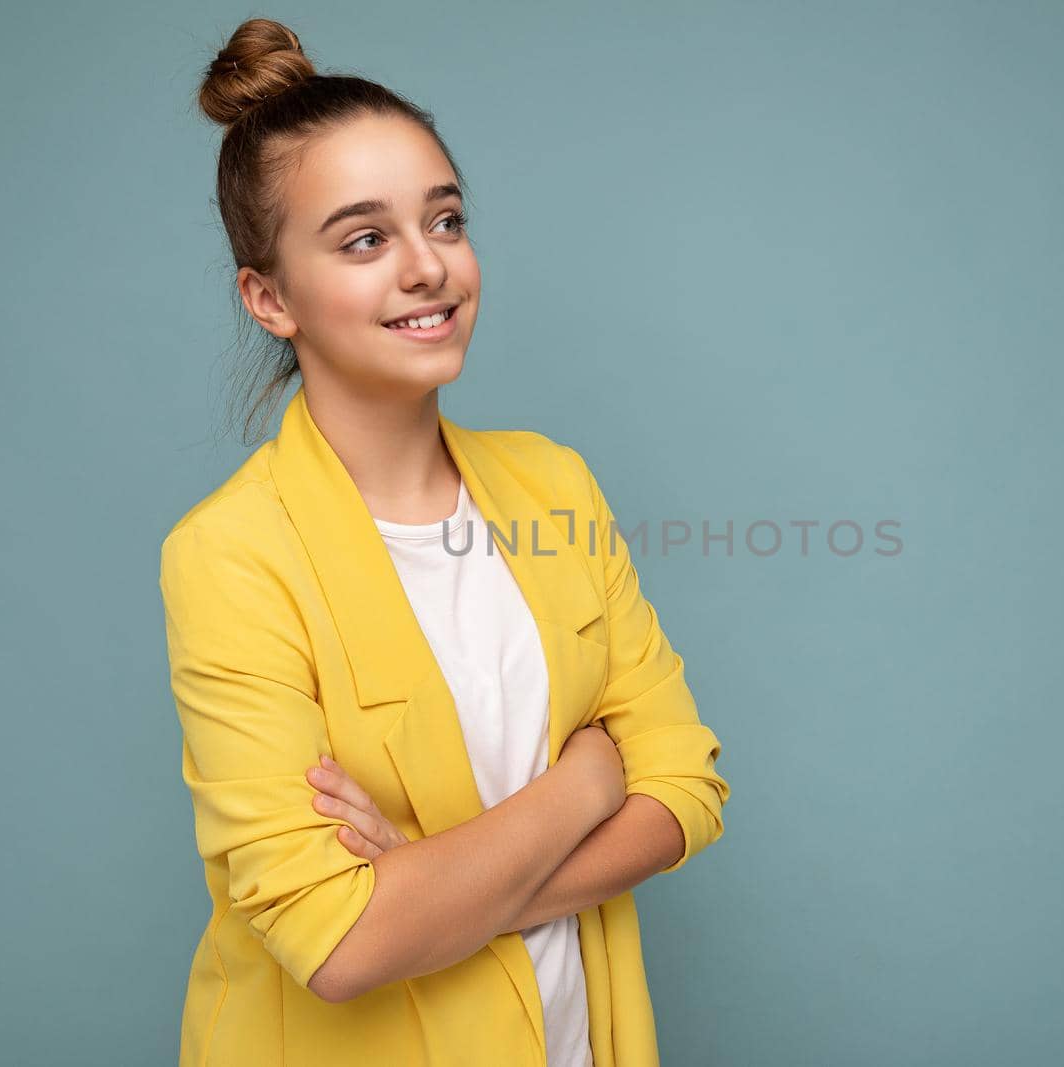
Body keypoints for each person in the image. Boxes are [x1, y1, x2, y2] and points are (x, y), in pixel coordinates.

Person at [158, 18, 730, 1067]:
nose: (428, 266)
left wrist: (436, 882)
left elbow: (687, 788)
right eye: (365, 238)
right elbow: (341, 939)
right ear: (269, 297)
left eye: (446, 220)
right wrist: (587, 779)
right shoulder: (231, 554)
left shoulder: (553, 482)